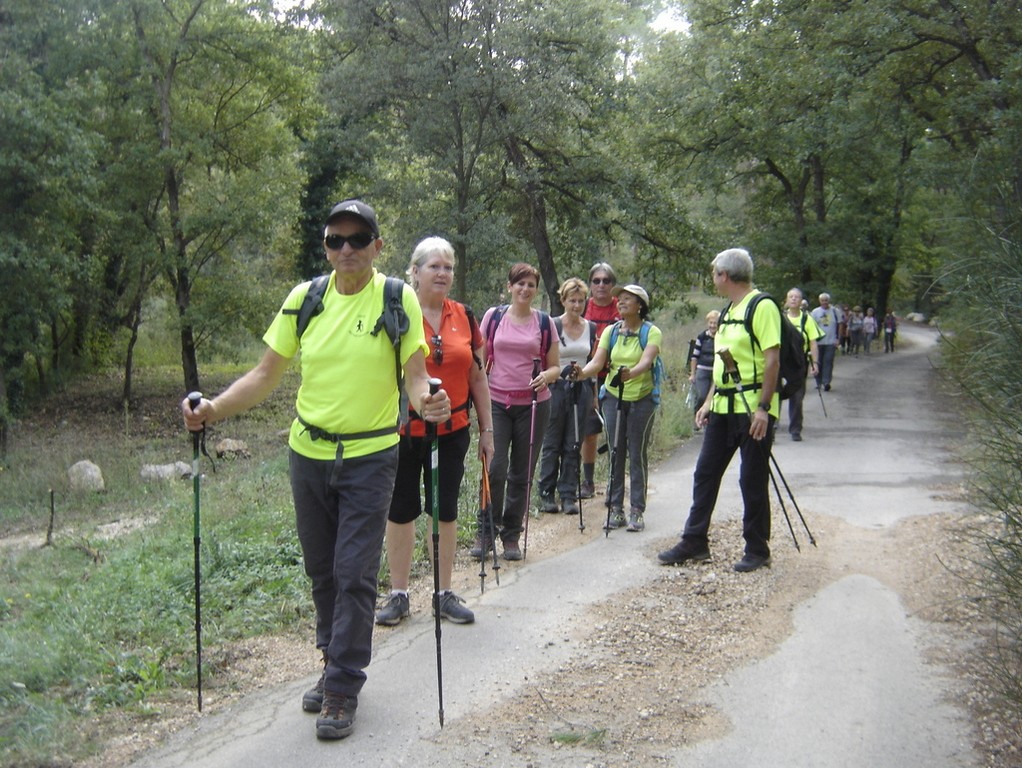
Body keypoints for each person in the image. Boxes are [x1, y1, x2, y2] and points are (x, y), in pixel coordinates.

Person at [181, 200, 450, 741]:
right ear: (325, 247)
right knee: (323, 570)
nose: (345, 249)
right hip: (308, 454)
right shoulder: (304, 299)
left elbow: (416, 379)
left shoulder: (397, 299)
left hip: (371, 456)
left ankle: (344, 685)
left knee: (354, 572)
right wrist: (213, 408)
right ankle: (333, 662)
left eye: (358, 238)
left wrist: (430, 403)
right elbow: (264, 374)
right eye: (335, 240)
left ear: (377, 246)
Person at [375, 237, 494, 628]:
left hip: (454, 428)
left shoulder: (465, 315)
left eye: (448, 267)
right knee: (401, 508)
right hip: (403, 429)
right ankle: (399, 594)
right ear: (415, 271)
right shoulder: (396, 314)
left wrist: (487, 430)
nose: (442, 273)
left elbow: (478, 377)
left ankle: (443, 593)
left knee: (443, 507)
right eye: (434, 267)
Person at [658, 248, 779, 572]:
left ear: (724, 275)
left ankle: (757, 549)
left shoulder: (761, 306)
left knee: (751, 478)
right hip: (724, 405)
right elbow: (724, 363)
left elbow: (772, 360)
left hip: (752, 408)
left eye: (714, 274)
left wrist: (764, 409)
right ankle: (695, 541)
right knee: (706, 472)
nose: (713, 279)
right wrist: (709, 401)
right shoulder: (728, 310)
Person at [471, 263, 561, 561]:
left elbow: (555, 366)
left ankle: (511, 535)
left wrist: (547, 377)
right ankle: (486, 530)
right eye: (519, 284)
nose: (525, 289)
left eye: (530, 285)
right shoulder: (493, 317)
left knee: (522, 472)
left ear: (536, 290)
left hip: (534, 405)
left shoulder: (545, 323)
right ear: (510, 286)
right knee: (494, 468)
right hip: (496, 401)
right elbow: (479, 360)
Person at [572, 284, 661, 533]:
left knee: (637, 452)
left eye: (627, 299)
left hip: (641, 398)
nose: (620, 303)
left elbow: (646, 361)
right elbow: (598, 362)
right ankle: (615, 508)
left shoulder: (651, 332)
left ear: (640, 305)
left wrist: (630, 373)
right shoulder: (611, 331)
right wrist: (581, 374)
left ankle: (637, 510)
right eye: (619, 299)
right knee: (615, 450)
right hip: (613, 396)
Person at [538, 278, 597, 516]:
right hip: (556, 388)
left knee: (574, 442)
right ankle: (546, 493)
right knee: (552, 442)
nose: (576, 305)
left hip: (580, 388)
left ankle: (569, 494)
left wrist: (593, 397)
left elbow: (593, 363)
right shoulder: (553, 325)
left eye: (581, 300)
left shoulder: (591, 328)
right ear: (563, 300)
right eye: (572, 300)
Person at [579, 262, 620, 499]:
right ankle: (588, 481)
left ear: (613, 284)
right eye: (596, 281)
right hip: (589, 377)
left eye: (606, 281)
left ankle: (616, 483)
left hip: (616, 378)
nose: (601, 285)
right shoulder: (584, 308)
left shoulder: (621, 308)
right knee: (589, 431)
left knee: (616, 431)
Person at [783, 288, 823, 442]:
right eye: (791, 296)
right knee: (776, 395)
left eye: (797, 297)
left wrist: (815, 363)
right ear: (786, 300)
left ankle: (795, 429)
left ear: (801, 301)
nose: (793, 299)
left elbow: (813, 342)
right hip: (782, 361)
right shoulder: (780, 318)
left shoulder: (807, 319)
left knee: (797, 397)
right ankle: (772, 428)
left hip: (800, 362)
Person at [689, 310, 720, 428]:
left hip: (716, 371)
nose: (712, 326)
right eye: (711, 323)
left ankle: (709, 421)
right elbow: (694, 356)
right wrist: (692, 374)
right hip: (702, 370)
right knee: (702, 395)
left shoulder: (722, 337)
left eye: (715, 323)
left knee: (713, 397)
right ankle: (697, 417)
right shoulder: (702, 337)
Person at [811, 293, 840, 391]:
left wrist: (838, 338)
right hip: (818, 342)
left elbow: (840, 325)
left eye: (826, 300)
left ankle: (826, 382)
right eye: (822, 300)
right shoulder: (815, 312)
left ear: (829, 301)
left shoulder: (835, 311)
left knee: (828, 361)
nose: (824, 302)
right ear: (819, 301)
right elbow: (811, 326)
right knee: (818, 362)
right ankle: (818, 382)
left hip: (831, 341)